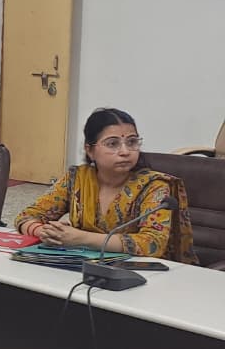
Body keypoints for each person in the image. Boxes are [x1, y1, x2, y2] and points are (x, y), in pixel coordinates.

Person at [14, 107, 196, 261]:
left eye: (132, 142)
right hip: (81, 264)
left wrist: (81, 238)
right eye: (113, 144)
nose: (125, 151)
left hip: (141, 272)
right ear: (90, 150)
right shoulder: (77, 179)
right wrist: (44, 232)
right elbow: (25, 217)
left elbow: (152, 244)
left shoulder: (154, 186)